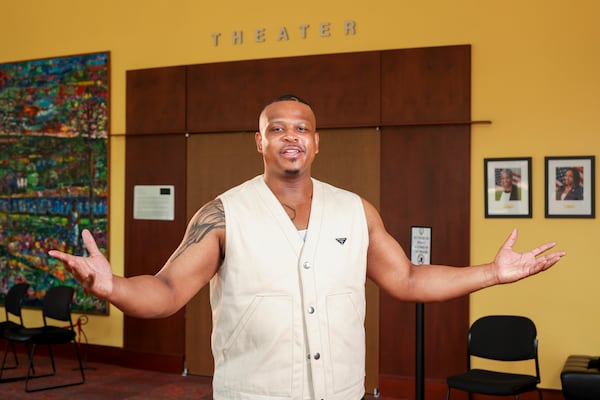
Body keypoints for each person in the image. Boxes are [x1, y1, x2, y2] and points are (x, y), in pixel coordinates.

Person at [49, 94, 565, 400]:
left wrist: (491, 274)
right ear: (259, 141)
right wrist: (111, 286)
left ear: (317, 142)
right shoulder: (223, 213)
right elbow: (166, 291)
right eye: (276, 128)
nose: (289, 137)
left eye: (301, 129)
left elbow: (407, 280)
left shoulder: (356, 210)